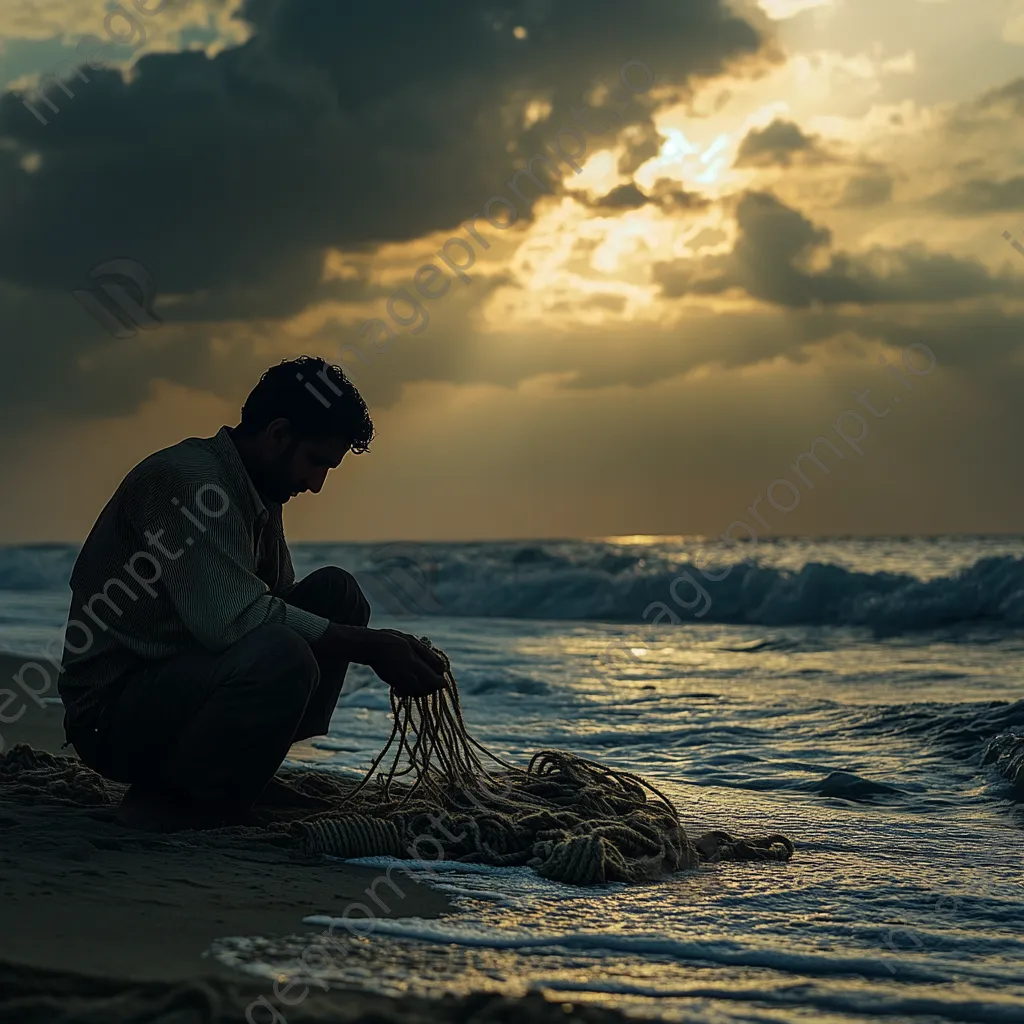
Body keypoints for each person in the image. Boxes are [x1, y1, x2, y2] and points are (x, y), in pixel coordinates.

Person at [59, 355, 447, 829]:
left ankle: (237, 775)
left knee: (337, 594)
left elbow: (276, 599)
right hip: (111, 716)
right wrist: (369, 646)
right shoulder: (192, 483)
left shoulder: (256, 483)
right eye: (315, 462)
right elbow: (233, 622)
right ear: (278, 435)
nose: (317, 484)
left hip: (182, 684)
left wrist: (381, 640)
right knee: (281, 653)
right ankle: (173, 799)